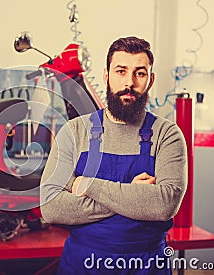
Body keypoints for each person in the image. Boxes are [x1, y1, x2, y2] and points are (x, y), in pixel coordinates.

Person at [40, 36, 188, 274]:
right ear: (106, 76)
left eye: (139, 73)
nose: (129, 82)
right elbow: (51, 208)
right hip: (83, 263)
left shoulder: (167, 134)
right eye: (121, 71)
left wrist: (89, 185)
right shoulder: (75, 131)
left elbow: (164, 204)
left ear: (150, 80)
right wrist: (133, 194)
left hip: (147, 265)